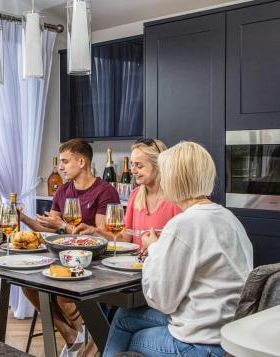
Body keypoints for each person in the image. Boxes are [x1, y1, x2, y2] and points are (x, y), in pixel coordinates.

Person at [104, 141, 253, 356]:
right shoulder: (228, 217)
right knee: (124, 316)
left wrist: (154, 249)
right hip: (227, 328)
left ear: (174, 179)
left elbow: (161, 300)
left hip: (201, 342)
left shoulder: (183, 224)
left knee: (133, 337)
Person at [75, 138, 181, 357]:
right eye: (132, 165)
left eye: (139, 165)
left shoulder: (175, 201)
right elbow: (124, 236)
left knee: (108, 304)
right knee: (98, 297)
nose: (133, 170)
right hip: (132, 273)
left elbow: (179, 250)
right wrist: (96, 231)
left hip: (158, 281)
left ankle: (94, 350)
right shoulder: (136, 195)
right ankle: (97, 349)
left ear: (159, 165)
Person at [20, 138, 120, 357]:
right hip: (65, 255)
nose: (60, 167)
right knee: (27, 285)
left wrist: (63, 226)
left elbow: (104, 235)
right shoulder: (64, 190)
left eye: (65, 161)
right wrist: (22, 217)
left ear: (81, 161)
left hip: (95, 261)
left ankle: (88, 335)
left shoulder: (105, 191)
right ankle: (74, 336)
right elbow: (50, 229)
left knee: (62, 293)